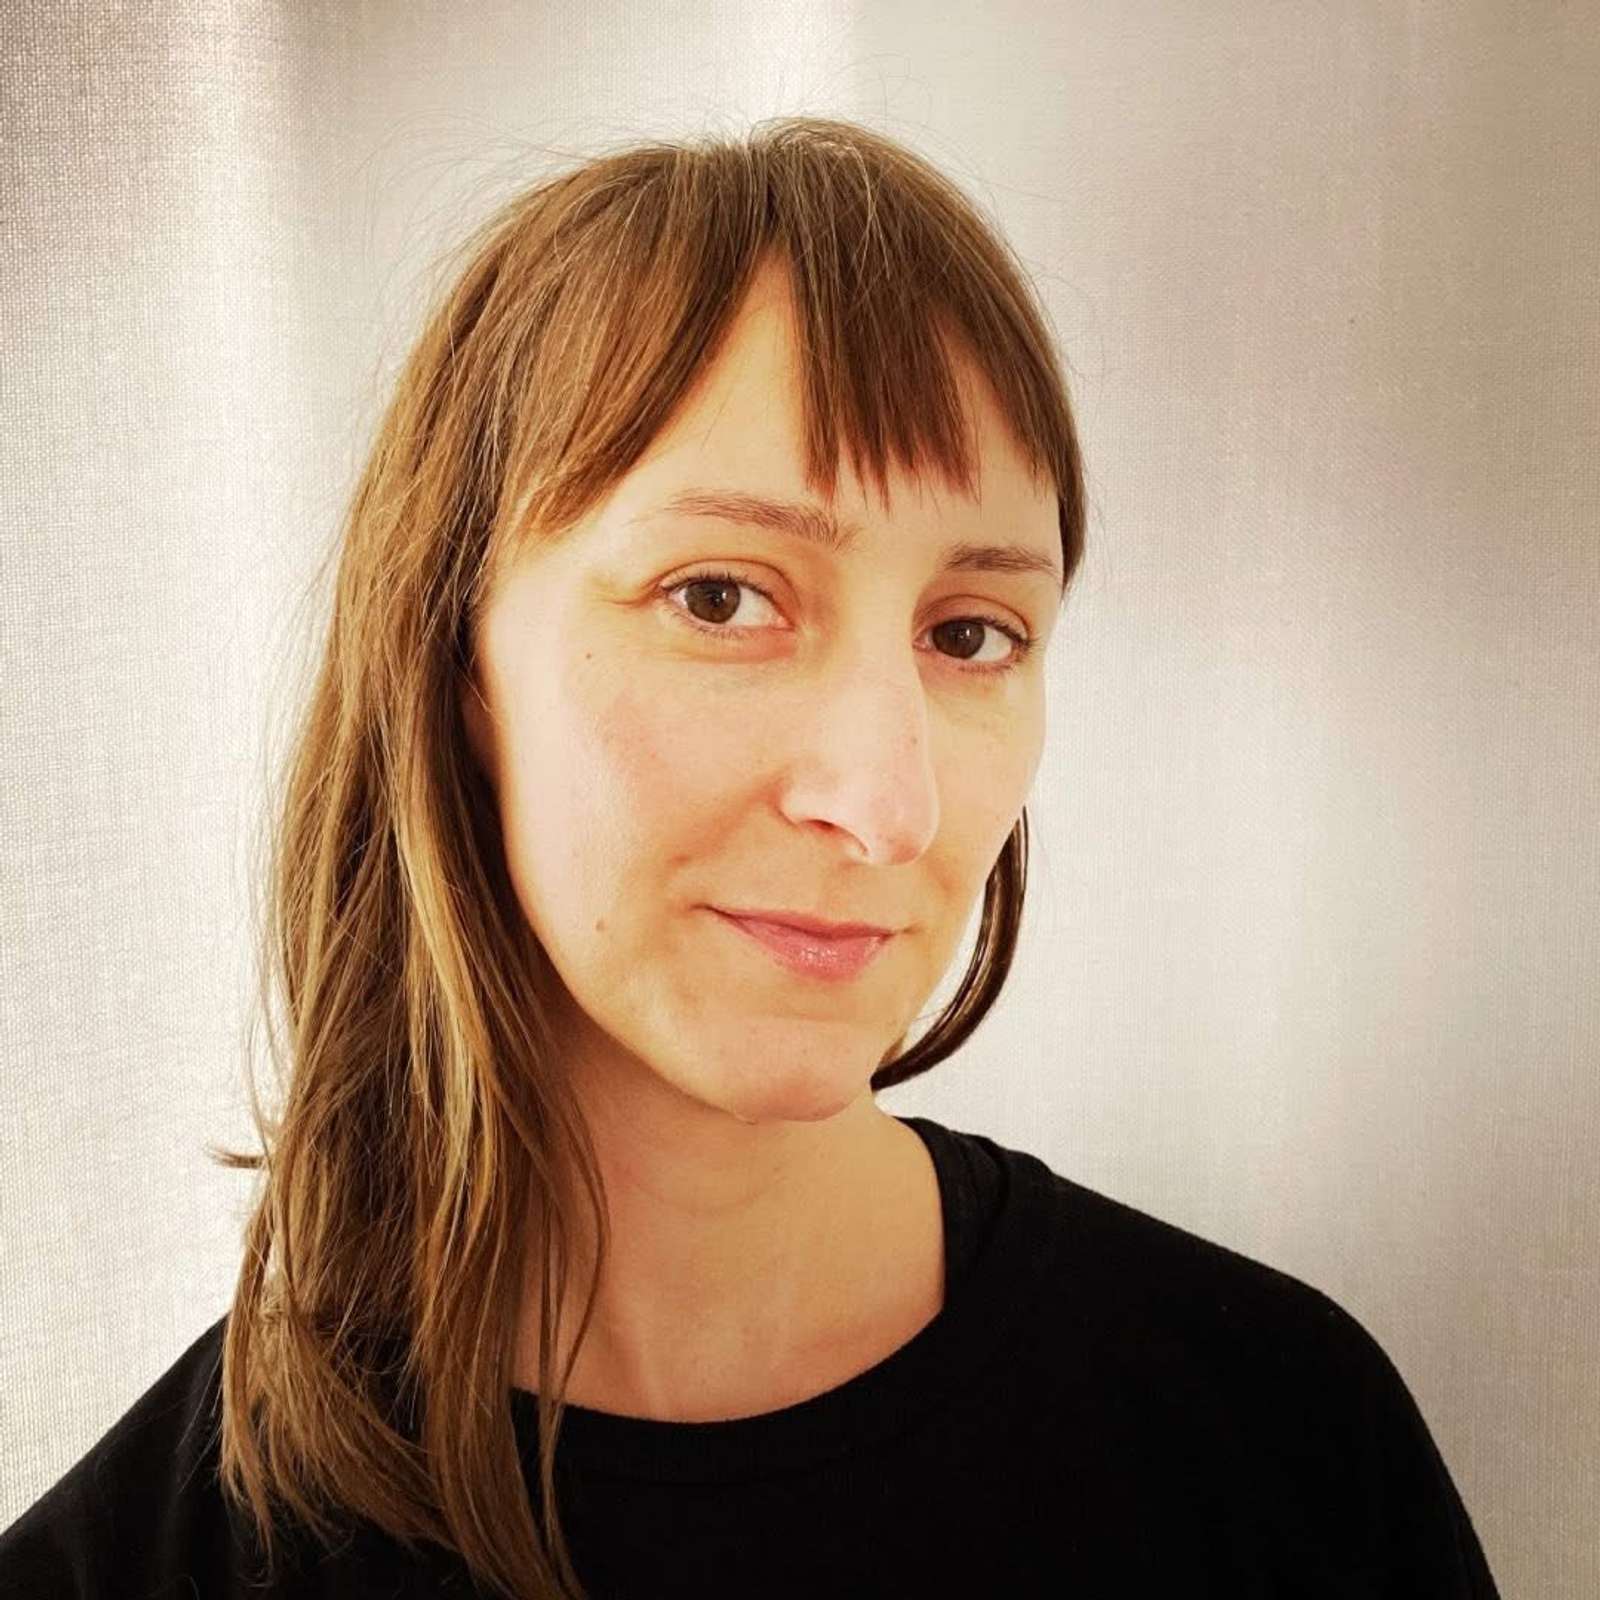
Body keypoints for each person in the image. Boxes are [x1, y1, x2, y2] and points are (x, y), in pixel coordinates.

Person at [0, 116, 1500, 1598]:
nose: (885, 803)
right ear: (456, 665)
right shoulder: (148, 1562)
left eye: (971, 634)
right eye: (721, 598)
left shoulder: (1287, 1445)